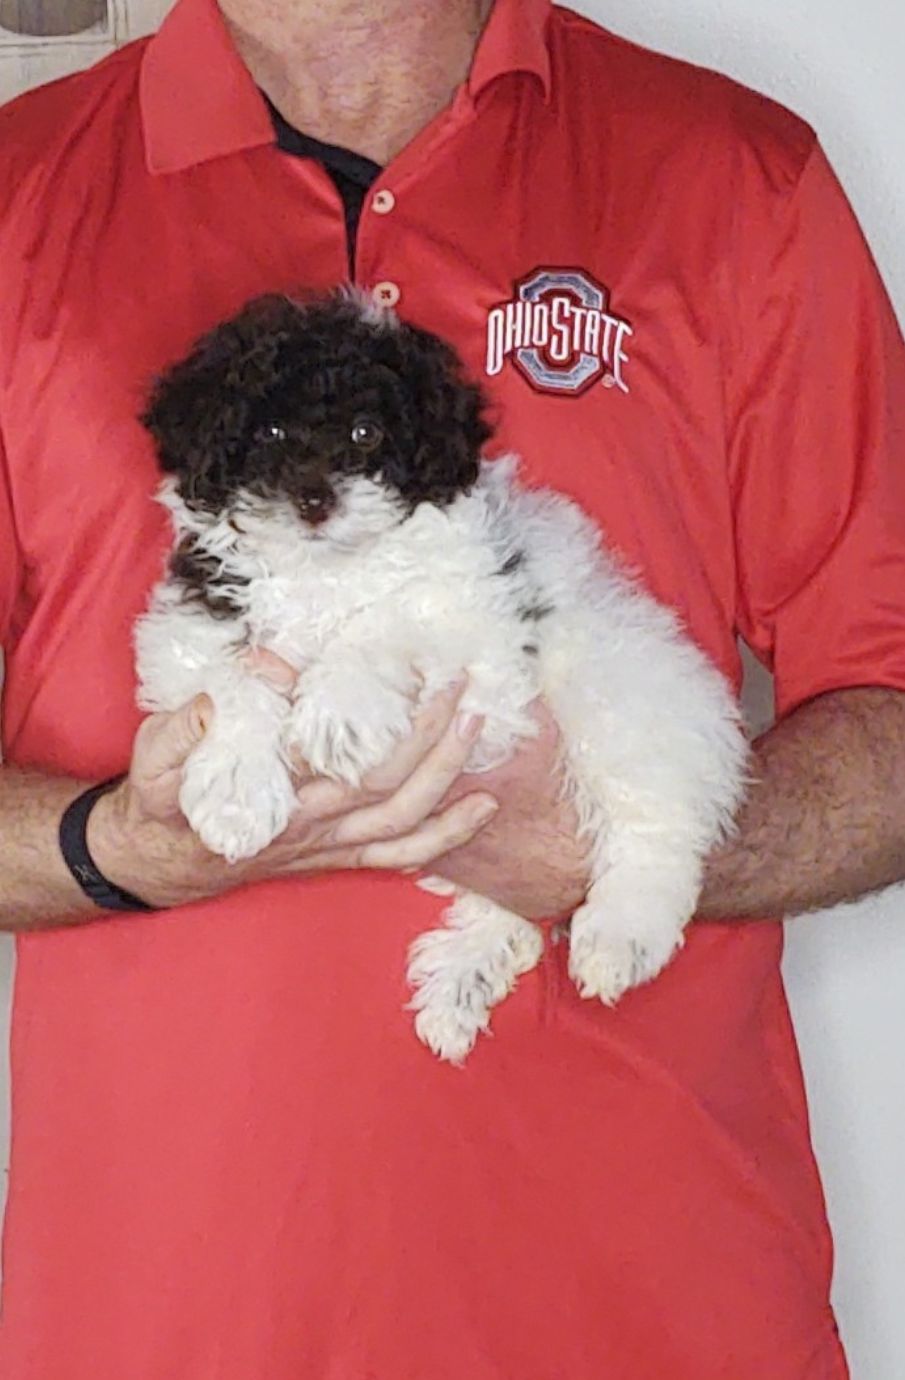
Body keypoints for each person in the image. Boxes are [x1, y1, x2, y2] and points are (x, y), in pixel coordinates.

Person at [0, 0, 903, 1374]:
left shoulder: (731, 171)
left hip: (657, 1301)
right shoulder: (17, 193)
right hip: (161, 1310)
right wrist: (112, 847)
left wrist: (627, 844)